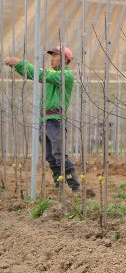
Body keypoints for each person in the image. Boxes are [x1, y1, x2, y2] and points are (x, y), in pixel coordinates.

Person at [4, 46, 81, 193]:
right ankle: (59, 185)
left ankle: (75, 187)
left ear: (65, 59)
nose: (51, 58)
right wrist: (17, 66)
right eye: (51, 56)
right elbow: (34, 75)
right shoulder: (52, 74)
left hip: (56, 120)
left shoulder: (65, 76)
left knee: (59, 154)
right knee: (50, 156)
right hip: (44, 120)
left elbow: (41, 74)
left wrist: (21, 63)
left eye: (55, 56)